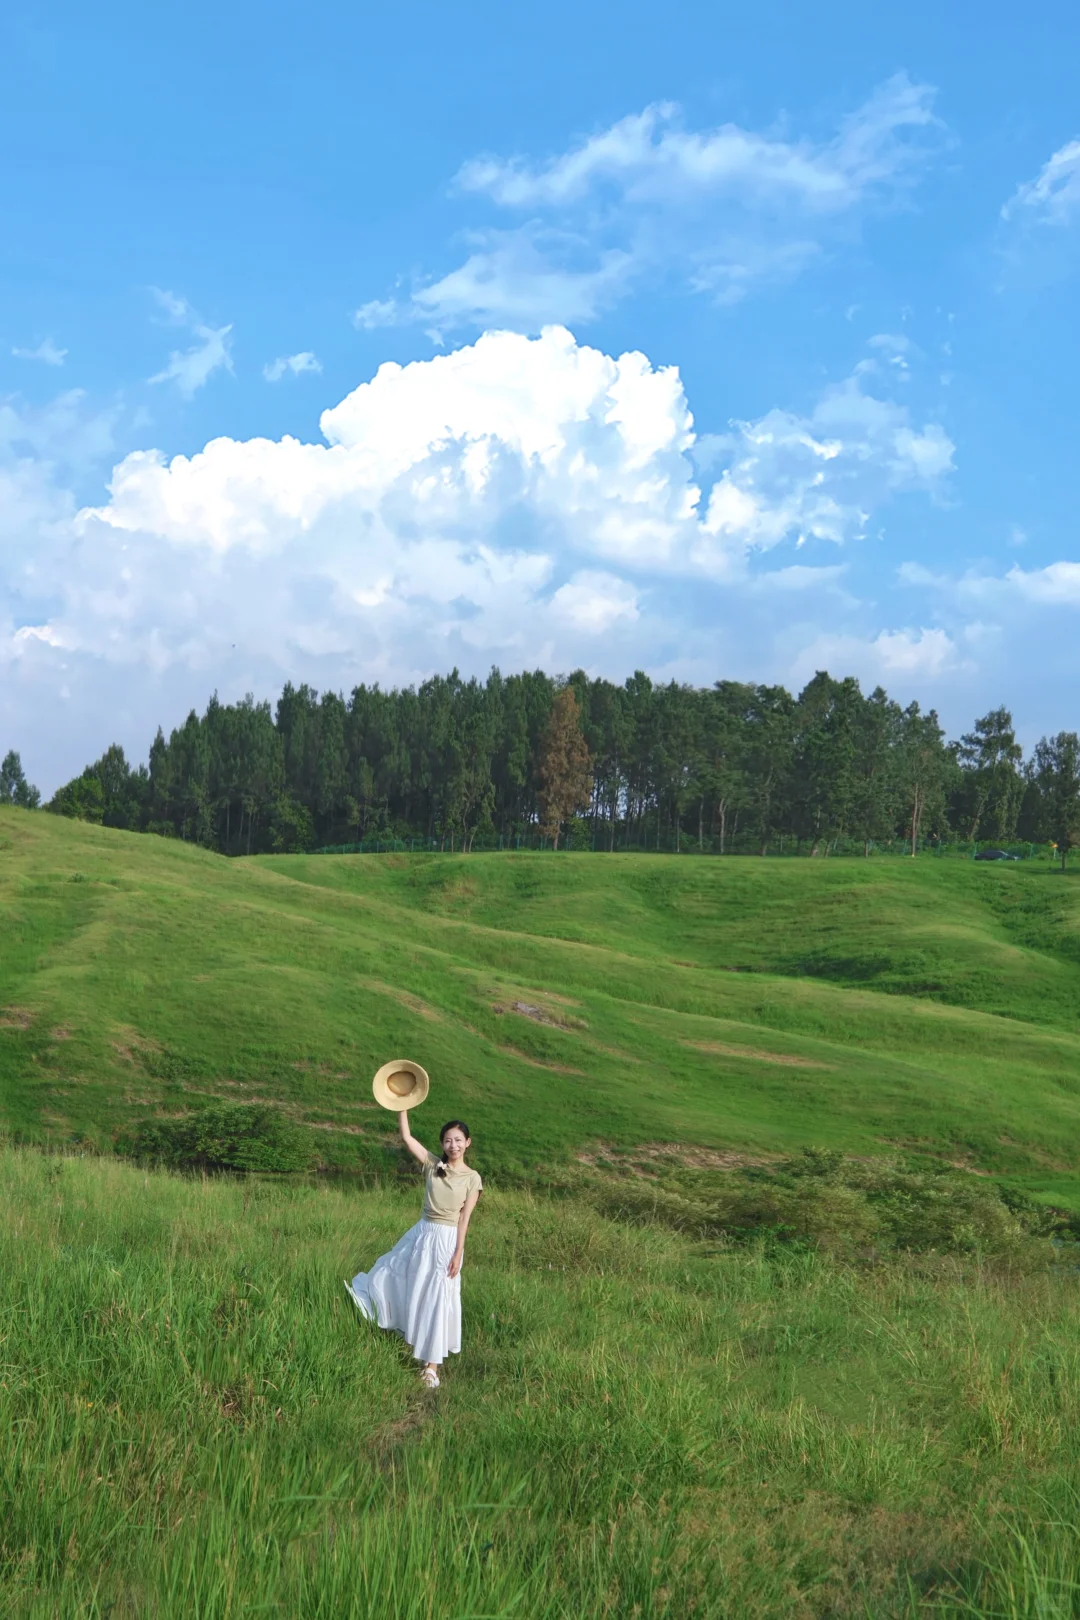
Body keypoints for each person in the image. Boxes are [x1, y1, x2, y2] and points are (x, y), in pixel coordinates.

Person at [346, 1114, 482, 1389]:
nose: (453, 1145)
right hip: (421, 1233)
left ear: (467, 1143)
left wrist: (458, 1253)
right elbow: (407, 1139)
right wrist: (402, 1108)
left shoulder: (472, 1178)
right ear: (442, 1144)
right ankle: (399, 1326)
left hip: (447, 1240)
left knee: (437, 1297)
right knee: (397, 1277)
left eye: (458, 1140)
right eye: (448, 1140)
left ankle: (432, 1366)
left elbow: (464, 1219)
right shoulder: (434, 1164)